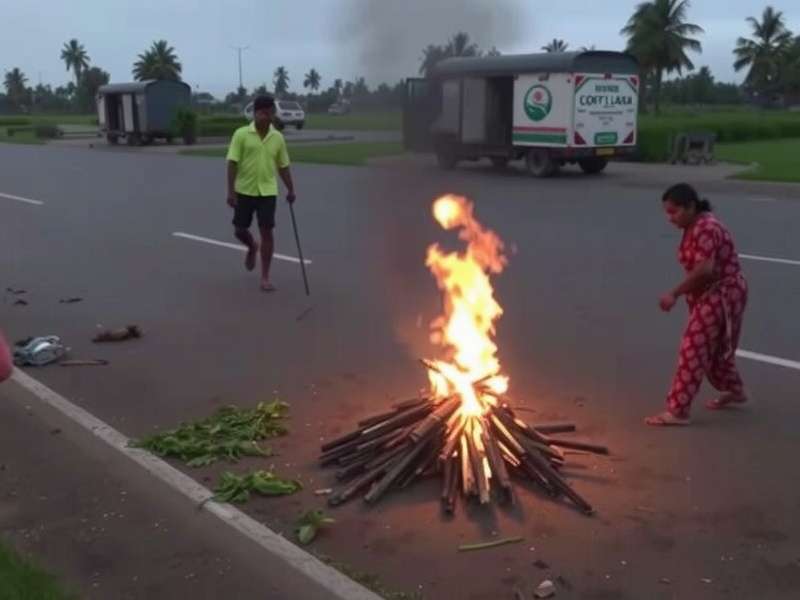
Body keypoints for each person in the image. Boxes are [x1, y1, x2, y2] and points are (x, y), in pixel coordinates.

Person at [646, 183, 749, 426]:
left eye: (674, 211)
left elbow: (705, 270)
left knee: (693, 347)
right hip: (713, 293)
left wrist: (674, 293)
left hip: (722, 293)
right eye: (667, 212)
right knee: (715, 350)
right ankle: (735, 390)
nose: (670, 218)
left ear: (691, 206)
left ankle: (678, 411)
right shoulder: (693, 225)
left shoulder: (705, 227)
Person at [226, 94, 296, 291]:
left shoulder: (277, 138)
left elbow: (283, 166)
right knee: (240, 230)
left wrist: (291, 189)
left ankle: (265, 277)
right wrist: (230, 192)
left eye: (269, 113)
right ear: (255, 113)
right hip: (244, 190)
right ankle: (251, 246)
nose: (266, 117)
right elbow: (232, 163)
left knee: (267, 232)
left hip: (267, 191)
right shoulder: (241, 134)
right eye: (262, 113)